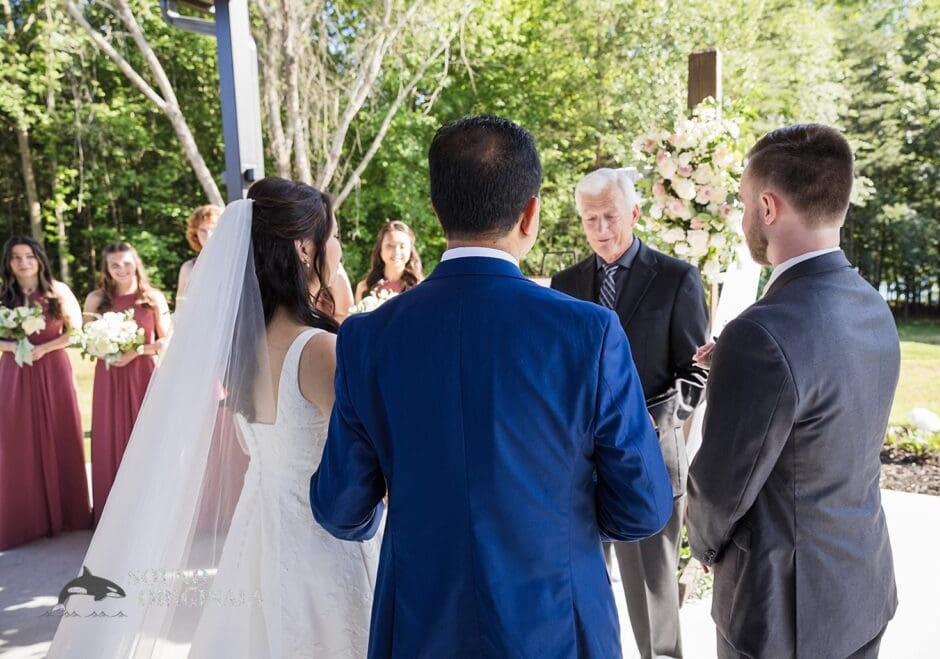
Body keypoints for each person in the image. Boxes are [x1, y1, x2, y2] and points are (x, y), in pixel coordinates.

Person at [310, 115, 672, 657]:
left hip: (419, 624)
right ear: (530, 213)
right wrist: (559, 521)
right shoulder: (589, 332)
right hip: (558, 623)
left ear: (437, 212)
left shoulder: (367, 337)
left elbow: (340, 507)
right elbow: (642, 505)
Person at [49, 178, 379, 658]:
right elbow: (366, 456)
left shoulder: (242, 348)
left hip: (259, 531)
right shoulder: (318, 349)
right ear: (305, 248)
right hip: (323, 539)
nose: (339, 249)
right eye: (334, 236)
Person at [685, 124, 899, 659]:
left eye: (743, 205)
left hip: (784, 611)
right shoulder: (872, 305)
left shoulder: (760, 333)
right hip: (862, 588)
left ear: (768, 207)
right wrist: (736, 365)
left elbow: (720, 488)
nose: (743, 220)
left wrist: (703, 547)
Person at [551, 167, 708, 659]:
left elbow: (695, 373)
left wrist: (653, 420)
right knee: (581, 592)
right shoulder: (564, 284)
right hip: (580, 467)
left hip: (650, 460)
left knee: (653, 598)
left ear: (634, 213)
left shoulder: (678, 279)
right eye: (590, 219)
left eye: (610, 217)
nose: (601, 229)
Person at [0, 236, 91, 550]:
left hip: (53, 369)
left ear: (39, 259)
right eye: (16, 257)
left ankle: (69, 513)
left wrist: (44, 348)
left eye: (28, 256)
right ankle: (27, 519)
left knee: (60, 431)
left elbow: (75, 332)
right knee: (17, 439)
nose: (23, 263)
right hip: (15, 371)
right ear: (8, 263)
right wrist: (12, 345)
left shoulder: (58, 291)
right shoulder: (3, 295)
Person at [83, 242, 172, 524]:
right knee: (110, 435)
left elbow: (167, 340)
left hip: (143, 375)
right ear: (106, 269)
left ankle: (149, 511)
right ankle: (113, 514)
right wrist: (108, 350)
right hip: (109, 376)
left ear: (136, 263)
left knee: (147, 436)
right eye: (114, 265)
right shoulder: (96, 299)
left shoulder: (152, 297)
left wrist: (136, 351)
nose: (121, 269)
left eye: (127, 263)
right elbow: (85, 340)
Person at [353, 220, 423, 301]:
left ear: (410, 250)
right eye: (390, 245)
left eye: (402, 246)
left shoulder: (420, 288)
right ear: (380, 249)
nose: (396, 252)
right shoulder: (364, 288)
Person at [176, 203, 222, 306]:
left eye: (213, 229)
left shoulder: (235, 264)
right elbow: (180, 308)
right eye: (203, 231)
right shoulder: (188, 268)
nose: (208, 235)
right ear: (195, 234)